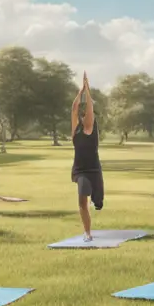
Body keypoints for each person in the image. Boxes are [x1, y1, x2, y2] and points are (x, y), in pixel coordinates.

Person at [70, 73, 103, 241]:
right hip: (81, 170)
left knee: (98, 202)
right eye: (83, 116)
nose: (85, 116)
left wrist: (88, 91)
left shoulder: (91, 130)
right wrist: (80, 91)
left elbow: (89, 108)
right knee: (82, 200)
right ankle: (87, 233)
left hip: (94, 170)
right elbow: (74, 109)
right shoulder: (76, 131)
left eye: (88, 116)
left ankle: (95, 199)